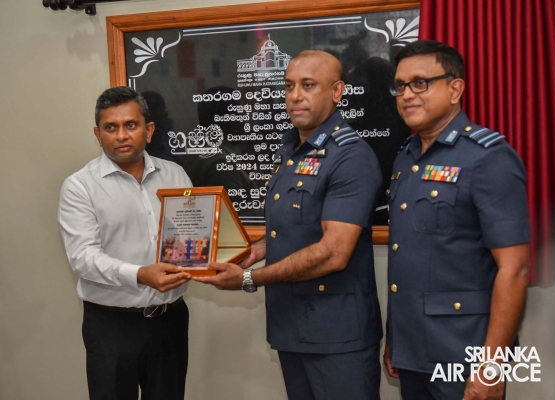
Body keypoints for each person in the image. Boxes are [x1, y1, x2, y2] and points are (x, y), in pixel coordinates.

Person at [194, 50, 383, 400]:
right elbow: (297, 226)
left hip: (336, 334)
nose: (295, 96)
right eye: (289, 86)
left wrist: (249, 279)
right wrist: (254, 253)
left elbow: (334, 252)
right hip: (292, 325)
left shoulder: (350, 156)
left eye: (308, 85)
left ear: (337, 91)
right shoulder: (292, 148)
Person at [383, 40, 530, 400]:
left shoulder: (488, 158)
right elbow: (408, 261)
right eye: (400, 86)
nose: (407, 94)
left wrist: (491, 366)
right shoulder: (406, 157)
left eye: (420, 83)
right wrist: (396, 341)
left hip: (464, 355)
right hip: (412, 352)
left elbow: (515, 269)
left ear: (455, 89)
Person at [58, 87, 193, 400]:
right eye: (111, 127)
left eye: (131, 125)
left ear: (149, 130)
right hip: (111, 326)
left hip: (170, 319)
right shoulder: (80, 186)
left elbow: (191, 237)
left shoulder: (176, 175)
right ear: (98, 134)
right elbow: (82, 257)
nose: (121, 135)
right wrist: (140, 274)